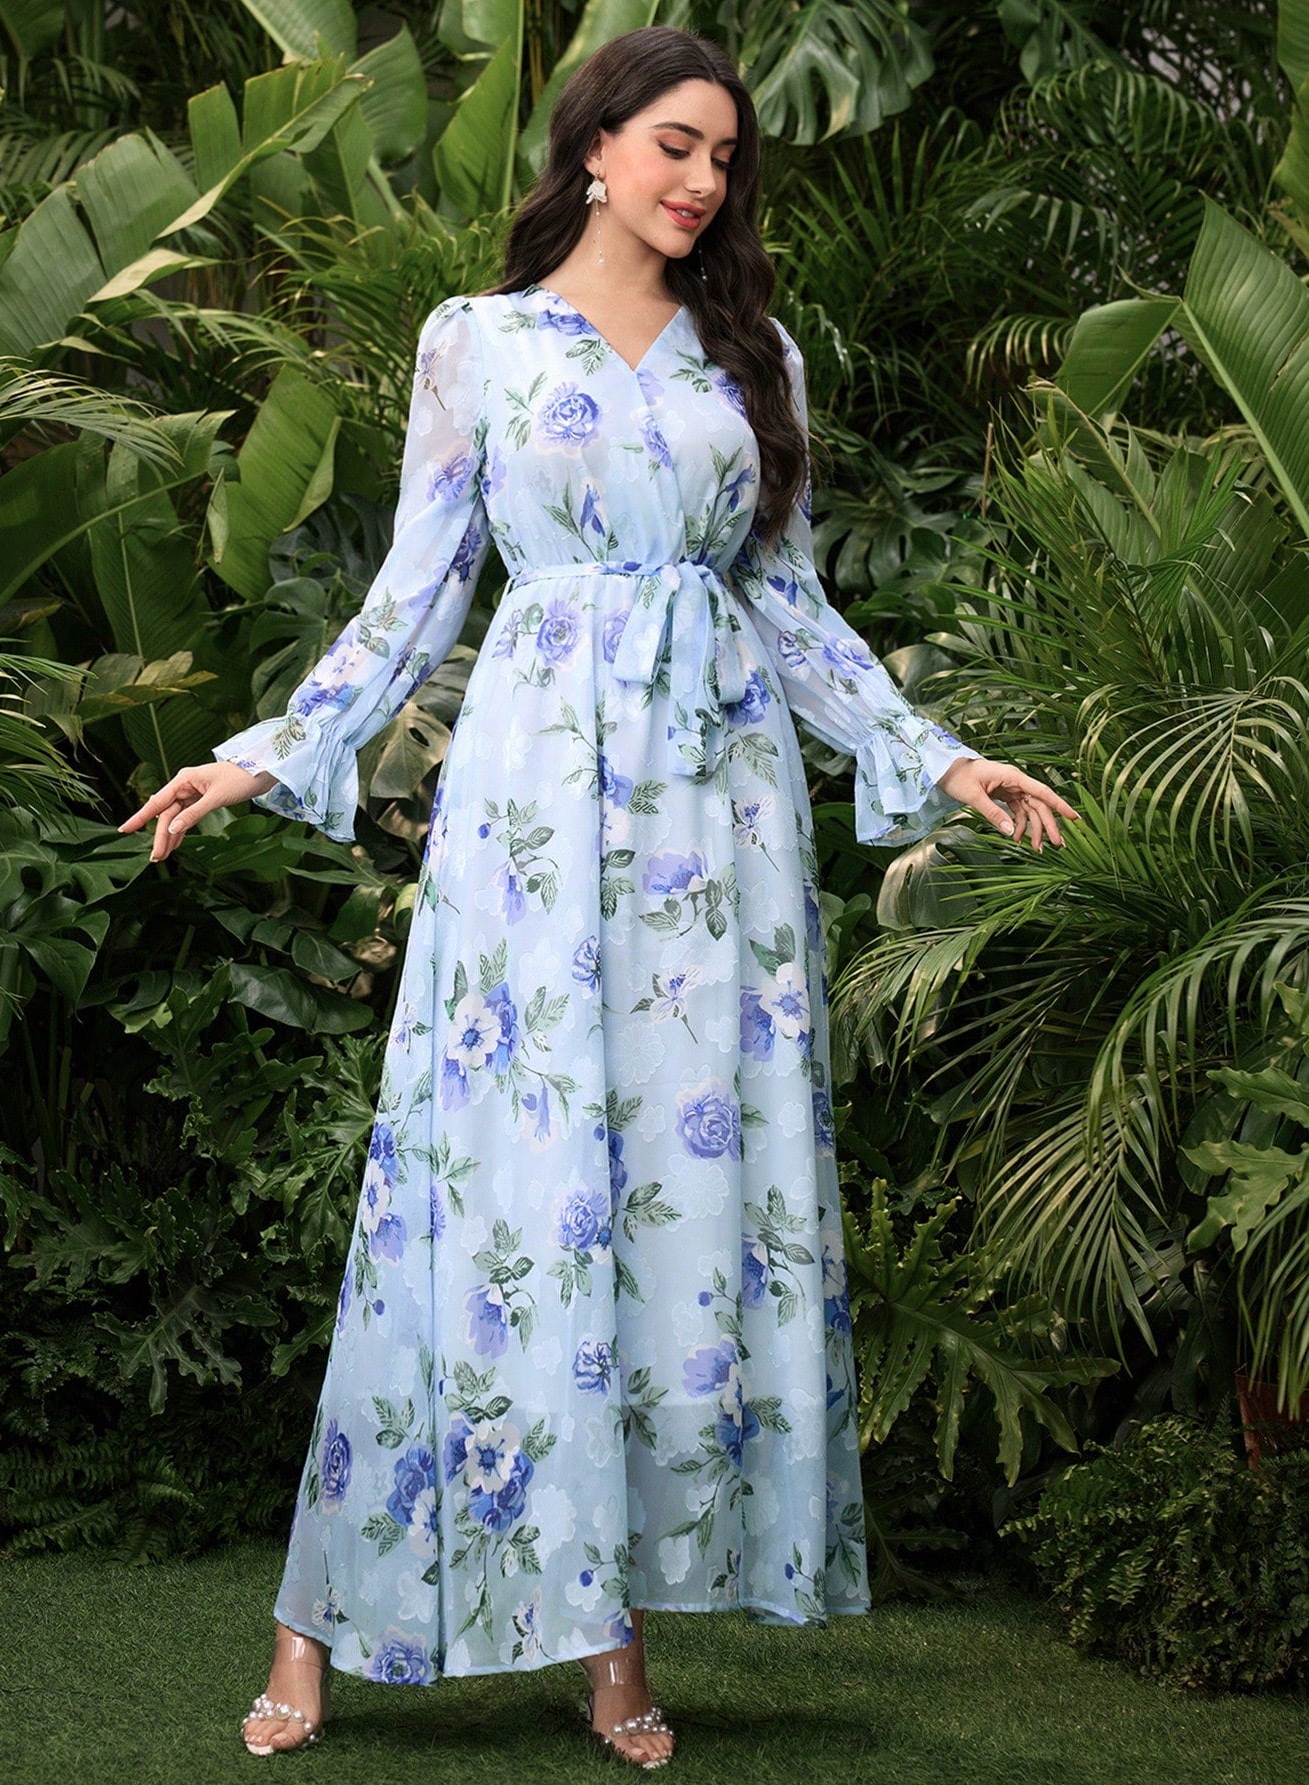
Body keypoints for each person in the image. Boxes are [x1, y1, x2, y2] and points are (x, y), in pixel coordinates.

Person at [121, 23, 1078, 1769]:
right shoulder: (477, 343)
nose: (704, 179)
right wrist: (265, 753)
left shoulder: (756, 354)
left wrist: (941, 760)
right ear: (593, 146)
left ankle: (611, 1636)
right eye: (676, 144)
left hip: (721, 827)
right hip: (537, 814)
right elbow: (415, 592)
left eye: (726, 156)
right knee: (491, 1179)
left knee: (666, 1208)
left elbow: (791, 606)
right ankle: (312, 1621)